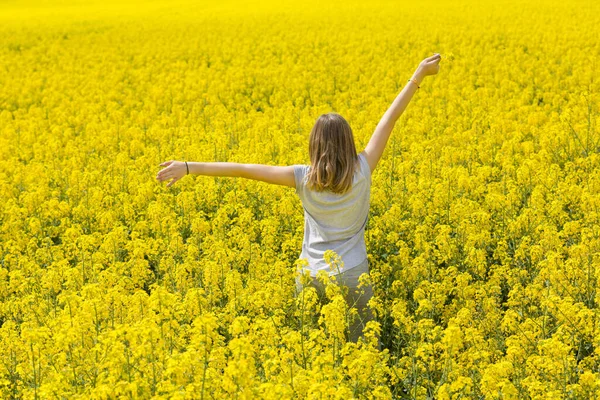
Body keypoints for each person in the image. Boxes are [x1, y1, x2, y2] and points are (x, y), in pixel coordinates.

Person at [156, 53, 442, 348]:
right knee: (364, 346)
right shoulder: (363, 169)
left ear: (314, 145)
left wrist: (188, 166)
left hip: (310, 275)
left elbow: (241, 169)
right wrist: (418, 75)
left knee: (309, 347)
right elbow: (390, 119)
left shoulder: (303, 178)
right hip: (353, 272)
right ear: (349, 141)